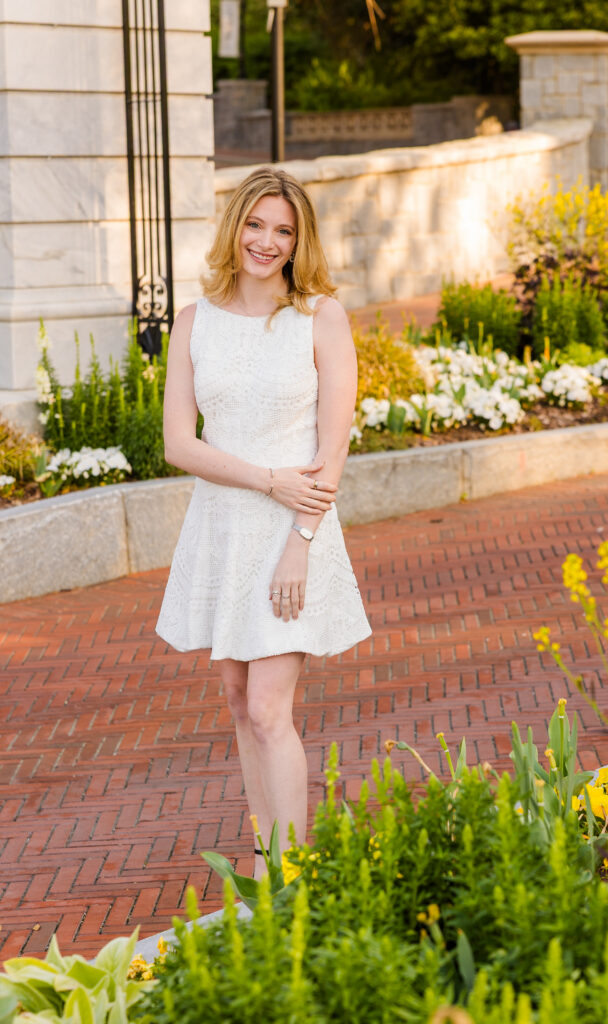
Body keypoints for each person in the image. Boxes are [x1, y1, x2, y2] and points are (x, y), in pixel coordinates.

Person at [156, 166, 371, 878]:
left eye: (283, 230)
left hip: (294, 534)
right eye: (255, 225)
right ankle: (261, 857)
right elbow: (178, 444)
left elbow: (332, 444)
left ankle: (292, 872)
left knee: (271, 707)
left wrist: (299, 542)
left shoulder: (320, 317)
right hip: (222, 525)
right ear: (234, 227)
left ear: (298, 240)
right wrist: (264, 480)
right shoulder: (195, 320)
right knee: (237, 697)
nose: (267, 242)